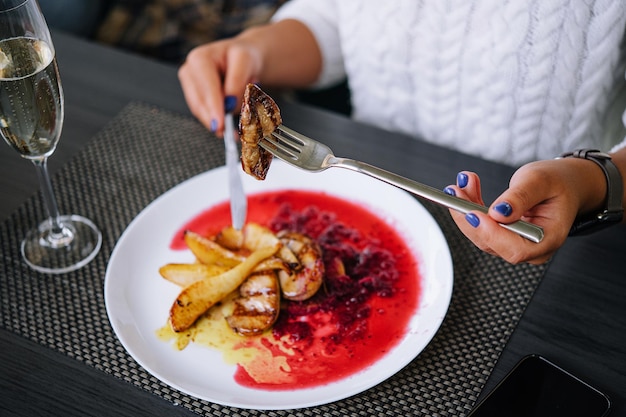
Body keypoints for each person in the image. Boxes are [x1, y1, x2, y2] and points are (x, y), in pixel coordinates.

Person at [178, 0, 626, 264]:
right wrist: (254, 50)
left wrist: (590, 181)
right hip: (374, 175)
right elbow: (334, 19)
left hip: (565, 225)